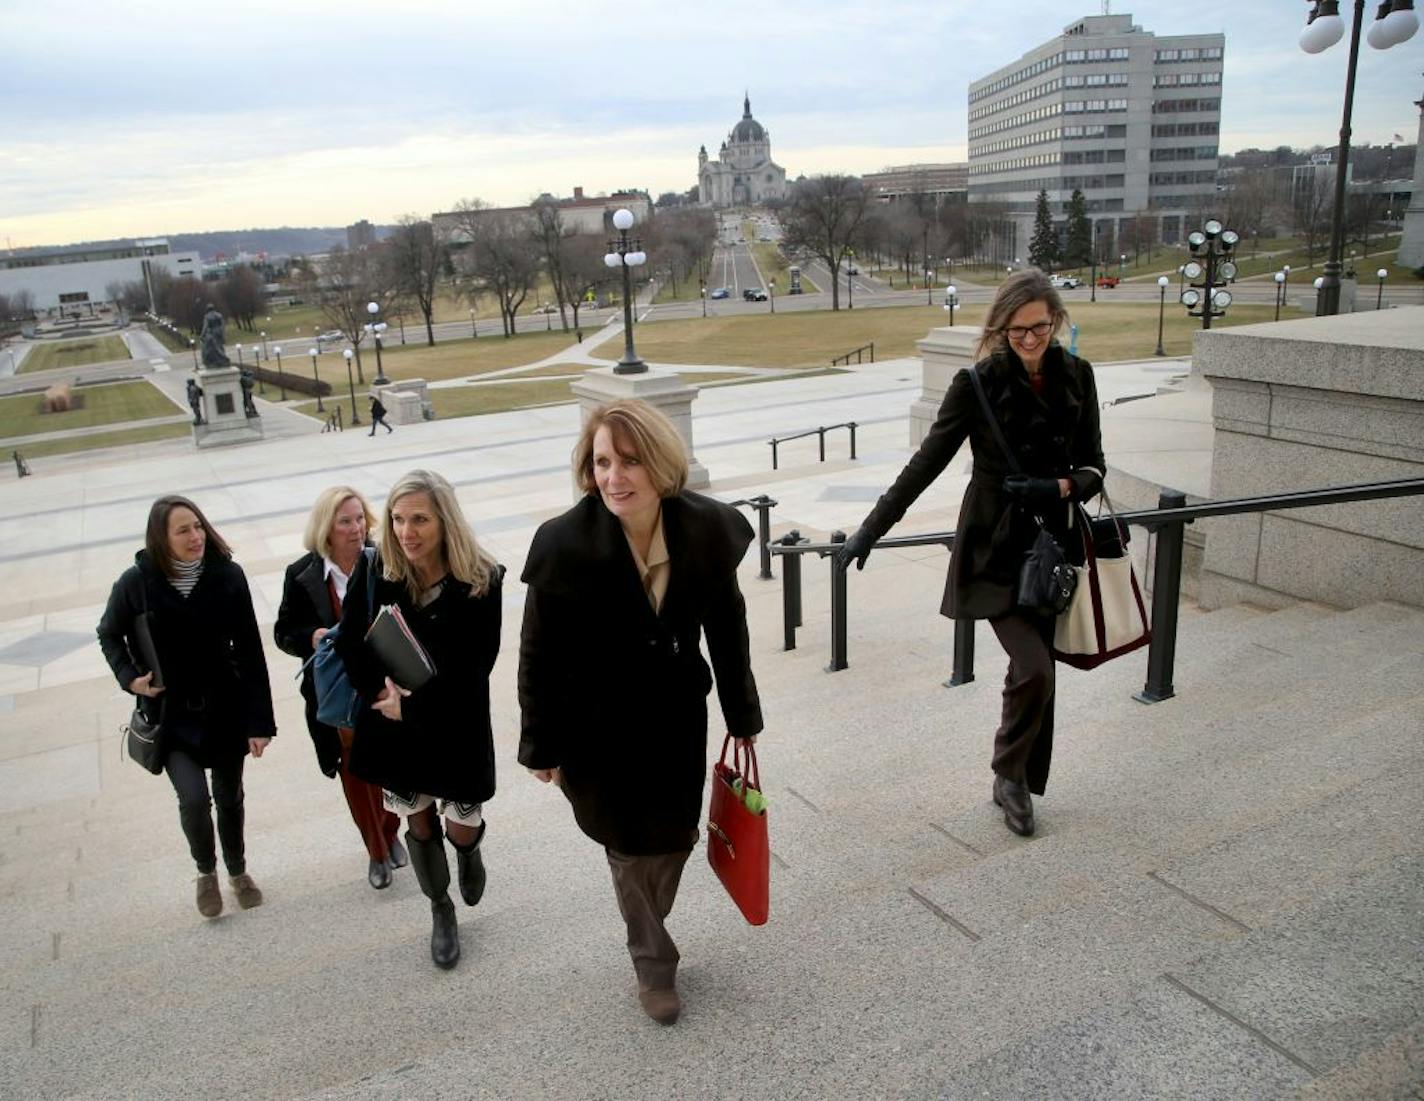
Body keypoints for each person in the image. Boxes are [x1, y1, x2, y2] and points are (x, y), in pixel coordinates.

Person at [518, 399, 764, 1026]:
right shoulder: (562, 543)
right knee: (628, 848)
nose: (614, 476)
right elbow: (537, 652)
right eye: (602, 462)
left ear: (659, 463)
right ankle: (653, 962)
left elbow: (727, 628)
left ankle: (650, 922)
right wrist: (539, 746)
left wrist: (743, 714)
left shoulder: (705, 530)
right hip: (594, 727)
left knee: (675, 838)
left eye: (629, 461)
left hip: (676, 718)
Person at [835, 270, 1105, 838]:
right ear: (999, 329)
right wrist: (869, 530)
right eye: (1016, 331)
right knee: (1033, 665)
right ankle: (1009, 776)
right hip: (994, 542)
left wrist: (1056, 488)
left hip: (1051, 542)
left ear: (1056, 322)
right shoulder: (977, 384)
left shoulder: (1079, 376)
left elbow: (1093, 466)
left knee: (1039, 669)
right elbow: (927, 462)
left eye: (1039, 328)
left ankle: (1019, 777)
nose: (1029, 341)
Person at [334, 470, 501, 970]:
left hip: (455, 725)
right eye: (399, 519)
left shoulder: (482, 580)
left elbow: (477, 667)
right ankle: (440, 909)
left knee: (460, 823)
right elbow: (349, 641)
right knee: (419, 820)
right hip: (394, 726)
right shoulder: (378, 569)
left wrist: (416, 704)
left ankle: (469, 853)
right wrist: (379, 691)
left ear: (445, 521)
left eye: (420, 519)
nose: (407, 531)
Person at [97, 495, 276, 917]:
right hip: (171, 717)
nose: (196, 536)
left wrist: (259, 722)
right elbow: (108, 633)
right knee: (194, 799)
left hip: (226, 709)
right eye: (183, 530)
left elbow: (250, 649)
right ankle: (206, 873)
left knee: (229, 797)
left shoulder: (227, 575)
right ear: (161, 537)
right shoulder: (135, 582)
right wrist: (129, 678)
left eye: (198, 526)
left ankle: (238, 872)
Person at [274, 486, 406, 890]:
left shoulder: (384, 561)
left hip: (382, 685)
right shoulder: (302, 575)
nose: (355, 528)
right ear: (326, 529)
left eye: (359, 518)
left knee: (390, 767)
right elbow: (284, 632)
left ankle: (390, 828)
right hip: (336, 692)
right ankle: (377, 852)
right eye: (344, 521)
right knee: (354, 771)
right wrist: (312, 636)